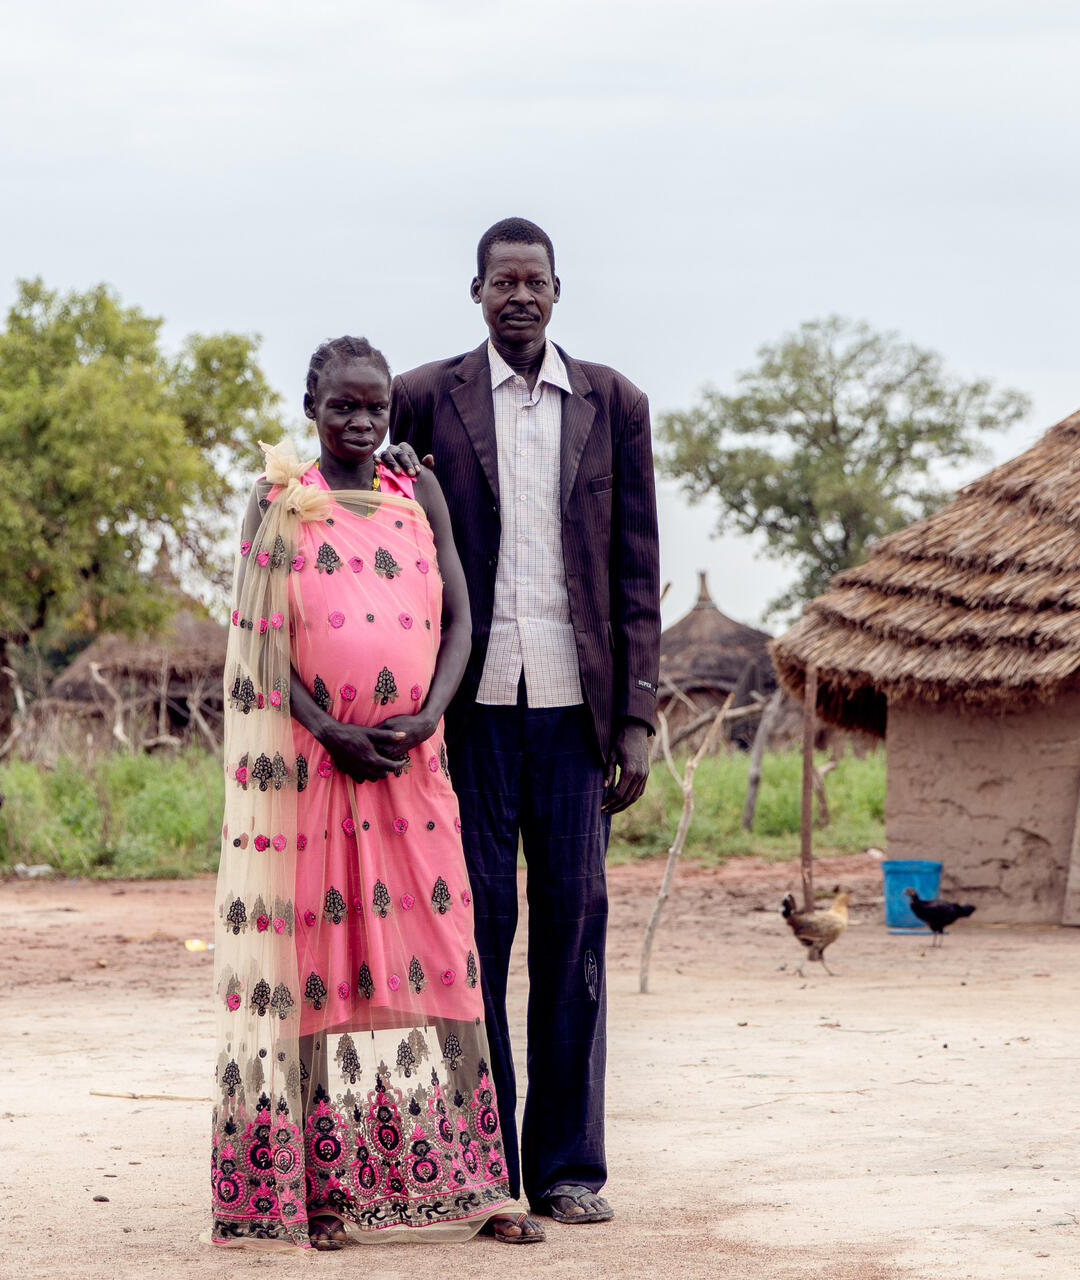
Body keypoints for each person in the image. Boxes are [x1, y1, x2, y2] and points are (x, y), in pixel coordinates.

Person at [210, 337, 541, 1249]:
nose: (360, 423)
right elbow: (256, 639)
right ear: (310, 404)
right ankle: (322, 1195)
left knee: (445, 960)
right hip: (318, 777)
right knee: (322, 978)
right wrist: (330, 731)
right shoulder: (279, 500)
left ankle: (477, 1187)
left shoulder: (415, 490)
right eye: (342, 407)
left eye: (375, 408)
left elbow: (464, 617)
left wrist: (430, 713)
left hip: (412, 769)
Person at [385, 218, 661, 1226]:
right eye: (500, 280)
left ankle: (566, 1166)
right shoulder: (423, 397)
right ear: (474, 292)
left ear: (557, 291)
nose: (518, 295)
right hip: (464, 713)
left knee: (572, 936)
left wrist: (632, 720)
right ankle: (480, 1162)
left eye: (533, 280)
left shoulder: (613, 403)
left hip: (573, 715)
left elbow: (635, 573)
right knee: (474, 934)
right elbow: (389, 545)